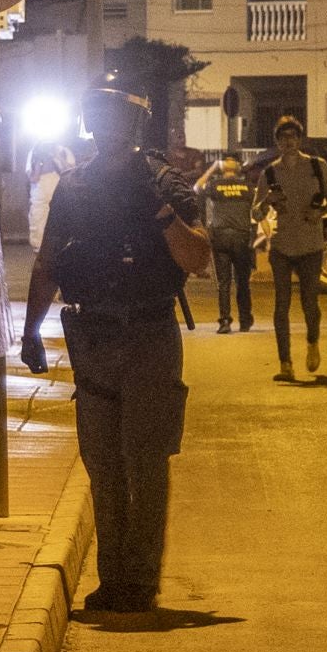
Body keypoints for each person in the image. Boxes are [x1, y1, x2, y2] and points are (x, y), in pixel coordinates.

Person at [22, 73, 211, 613]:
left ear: (133, 119)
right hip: (93, 334)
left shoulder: (164, 183)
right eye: (96, 112)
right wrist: (32, 331)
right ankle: (114, 579)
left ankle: (140, 581)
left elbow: (198, 259)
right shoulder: (74, 185)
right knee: (103, 463)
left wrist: (161, 212)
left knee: (145, 461)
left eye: (113, 112)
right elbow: (50, 260)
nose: (103, 124)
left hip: (148, 332)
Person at [259, 115, 327, 380]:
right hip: (282, 247)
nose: (289, 141)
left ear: (300, 139)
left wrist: (322, 213)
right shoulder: (269, 172)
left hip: (310, 245)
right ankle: (285, 364)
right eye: (283, 137)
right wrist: (266, 202)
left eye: (293, 136)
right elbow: (256, 212)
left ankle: (313, 344)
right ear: (277, 142)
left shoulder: (318, 167)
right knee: (281, 306)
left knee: (309, 303)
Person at [196, 152, 257, 334]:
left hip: (220, 237)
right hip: (241, 237)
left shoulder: (215, 185)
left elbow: (196, 187)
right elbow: (256, 207)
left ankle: (225, 321)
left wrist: (213, 168)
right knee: (242, 282)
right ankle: (245, 320)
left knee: (223, 283)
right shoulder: (246, 186)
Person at [27, 139, 77, 252]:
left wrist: (57, 157)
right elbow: (32, 178)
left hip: (60, 197)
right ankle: (38, 253)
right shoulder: (34, 152)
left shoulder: (64, 152)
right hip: (40, 201)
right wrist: (40, 164)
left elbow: (72, 172)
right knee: (39, 224)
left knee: (60, 223)